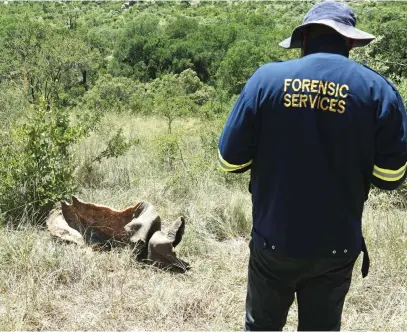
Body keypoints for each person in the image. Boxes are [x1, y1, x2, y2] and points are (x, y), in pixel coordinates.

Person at [217, 1, 407, 331]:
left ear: (303, 39)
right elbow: (391, 178)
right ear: (349, 42)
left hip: (274, 240)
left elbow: (230, 161)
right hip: (337, 246)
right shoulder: (379, 91)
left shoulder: (265, 80)